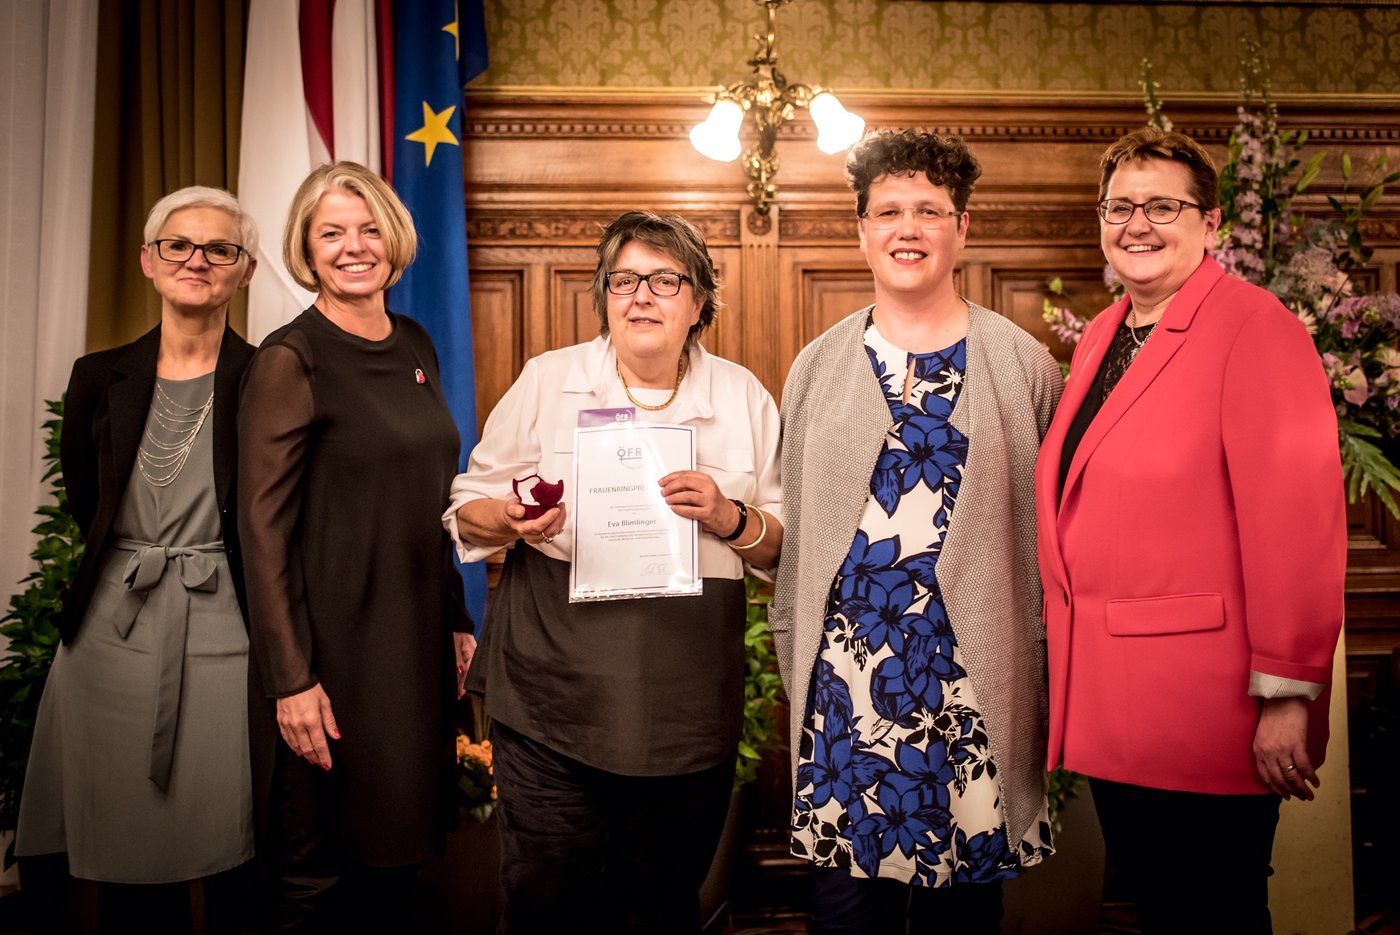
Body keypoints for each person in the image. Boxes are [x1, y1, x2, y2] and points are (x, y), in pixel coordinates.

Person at [1033, 127, 1347, 934]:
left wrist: (1287, 693)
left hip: (1205, 700)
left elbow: (1299, 522)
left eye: (1163, 206)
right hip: (1114, 693)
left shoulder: (1255, 326)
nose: (1138, 224)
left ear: (1212, 225)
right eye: (1120, 206)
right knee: (1165, 908)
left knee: (1214, 910)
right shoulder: (1107, 332)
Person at [445, 210, 782, 933]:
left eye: (665, 280)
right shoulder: (548, 379)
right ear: (603, 295)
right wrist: (510, 518)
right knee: (547, 896)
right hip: (550, 694)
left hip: (685, 706)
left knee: (659, 903)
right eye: (624, 279)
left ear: (699, 303)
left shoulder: (745, 396)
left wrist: (730, 517)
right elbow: (465, 509)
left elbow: (784, 546)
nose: (641, 296)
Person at [771, 129, 1063, 934]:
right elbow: (795, 539)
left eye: (930, 210)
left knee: (963, 918)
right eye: (889, 210)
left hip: (974, 684)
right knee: (843, 915)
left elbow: (1051, 538)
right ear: (861, 230)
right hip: (845, 692)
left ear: (961, 229)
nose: (908, 227)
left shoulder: (1023, 363)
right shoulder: (815, 367)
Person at [237, 161, 474, 932]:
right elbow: (260, 530)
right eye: (331, 232)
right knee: (318, 879)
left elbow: (435, 496)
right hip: (331, 658)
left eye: (369, 228)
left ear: (394, 239)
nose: (354, 246)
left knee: (399, 864)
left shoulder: (415, 341)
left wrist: (458, 619)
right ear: (307, 249)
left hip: (411, 648)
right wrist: (290, 678)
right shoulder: (289, 357)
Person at [16, 186, 258, 933]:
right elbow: (88, 500)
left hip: (226, 623)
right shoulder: (98, 376)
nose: (197, 260)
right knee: (123, 845)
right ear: (148, 261)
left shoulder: (268, 377)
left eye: (219, 248)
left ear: (244, 271)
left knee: (229, 837)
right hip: (111, 630)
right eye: (179, 245)